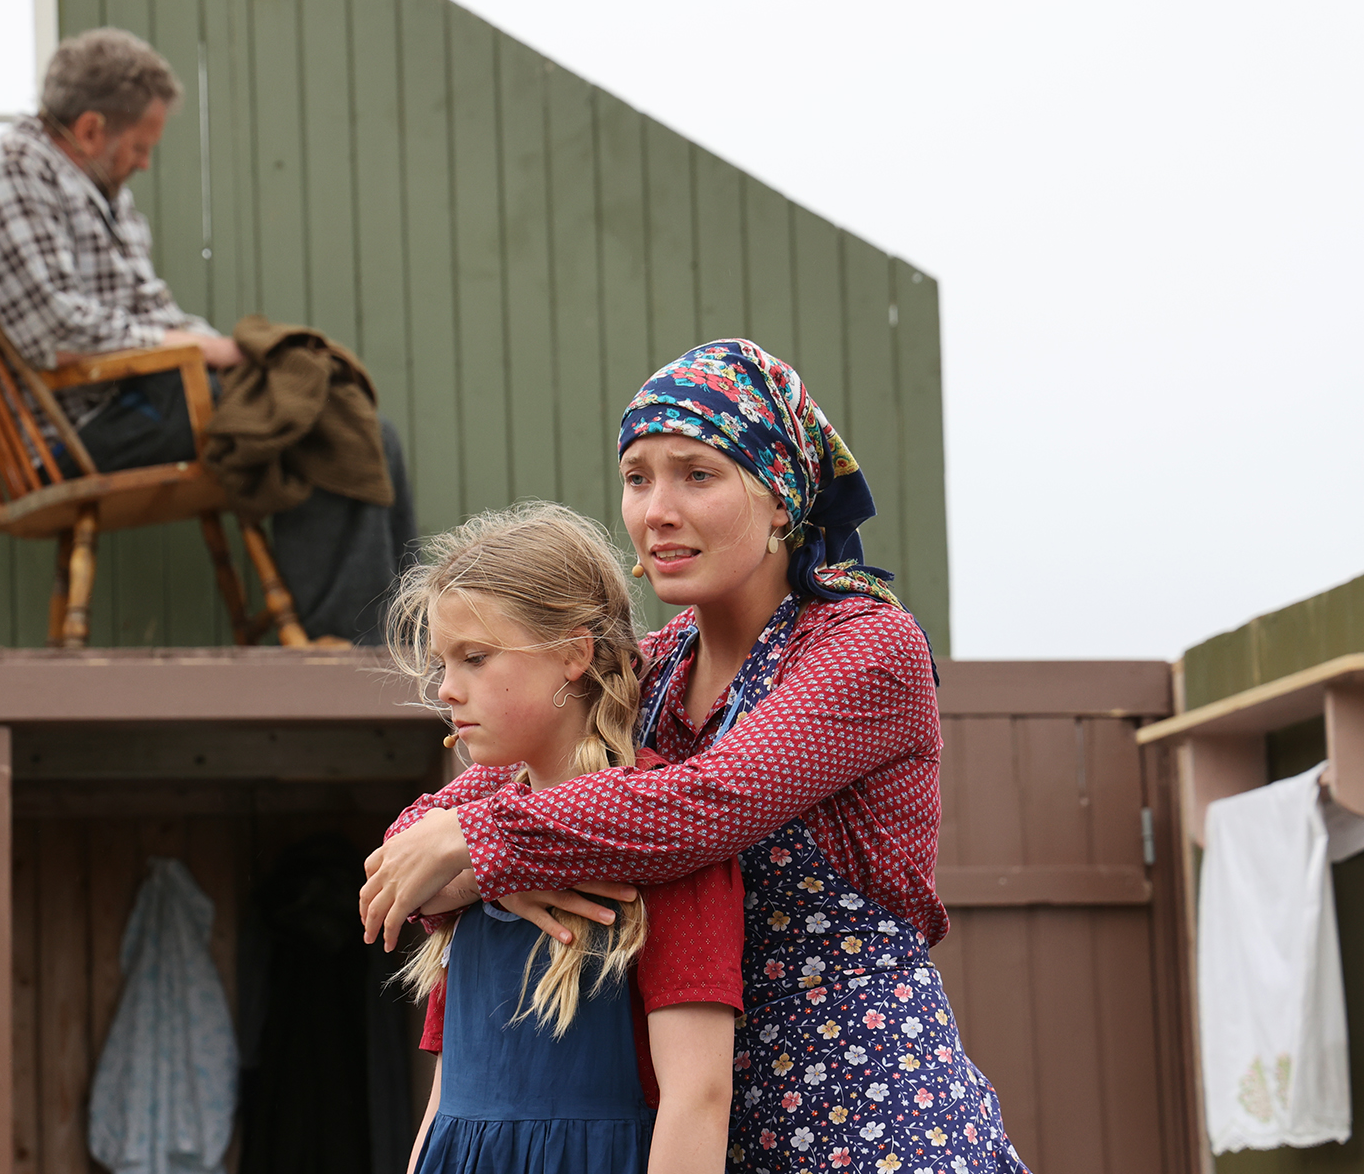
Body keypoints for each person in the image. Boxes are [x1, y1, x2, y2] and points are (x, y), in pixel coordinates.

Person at [362, 340, 1029, 1173]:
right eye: (637, 478)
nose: (657, 510)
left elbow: (709, 803)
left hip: (871, 1119)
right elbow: (435, 830)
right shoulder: (655, 666)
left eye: (697, 475)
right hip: (689, 1130)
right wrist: (478, 859)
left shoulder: (867, 648)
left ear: (781, 497)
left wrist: (482, 846)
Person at [0, 27, 414, 642]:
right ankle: (348, 644)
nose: (144, 161)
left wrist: (237, 356)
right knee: (309, 419)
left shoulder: (103, 193)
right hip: (78, 426)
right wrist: (201, 350)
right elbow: (54, 333)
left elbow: (155, 310)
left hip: (140, 401)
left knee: (351, 413)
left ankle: (397, 638)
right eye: (140, 145)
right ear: (90, 129)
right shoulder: (11, 171)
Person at [386, 502, 741, 1174]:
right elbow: (446, 1103)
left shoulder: (662, 837)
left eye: (475, 658)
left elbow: (698, 1097)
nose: (448, 690)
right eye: (442, 664)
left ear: (574, 653)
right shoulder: (464, 854)